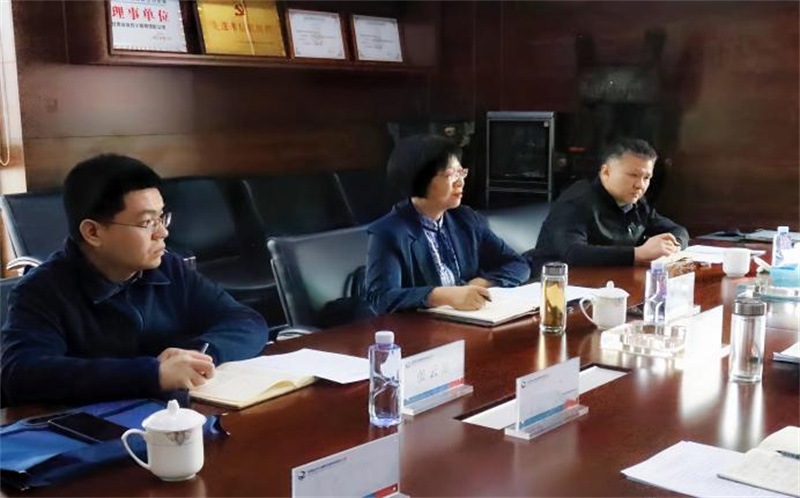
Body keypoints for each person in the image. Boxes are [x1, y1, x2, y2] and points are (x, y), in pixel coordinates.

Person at [1, 154, 269, 405]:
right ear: (93, 232)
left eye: (161, 217)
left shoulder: (169, 269)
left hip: (173, 419)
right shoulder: (40, 291)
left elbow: (246, 321)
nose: (162, 233)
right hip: (94, 429)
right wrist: (153, 373)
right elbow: (20, 373)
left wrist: (199, 355)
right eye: (146, 222)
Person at [366, 135, 530, 314]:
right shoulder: (388, 232)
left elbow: (518, 264)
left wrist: (482, 283)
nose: (460, 182)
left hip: (469, 321)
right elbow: (381, 298)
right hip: (418, 328)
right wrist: (443, 296)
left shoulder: (466, 219)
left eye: (461, 173)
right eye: (452, 175)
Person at [527, 138, 689, 274]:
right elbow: (573, 252)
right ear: (606, 172)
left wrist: (673, 246)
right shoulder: (577, 201)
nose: (640, 185)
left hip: (610, 279)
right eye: (633, 175)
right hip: (558, 284)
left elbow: (676, 230)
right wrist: (637, 254)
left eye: (646, 178)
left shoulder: (636, 202)